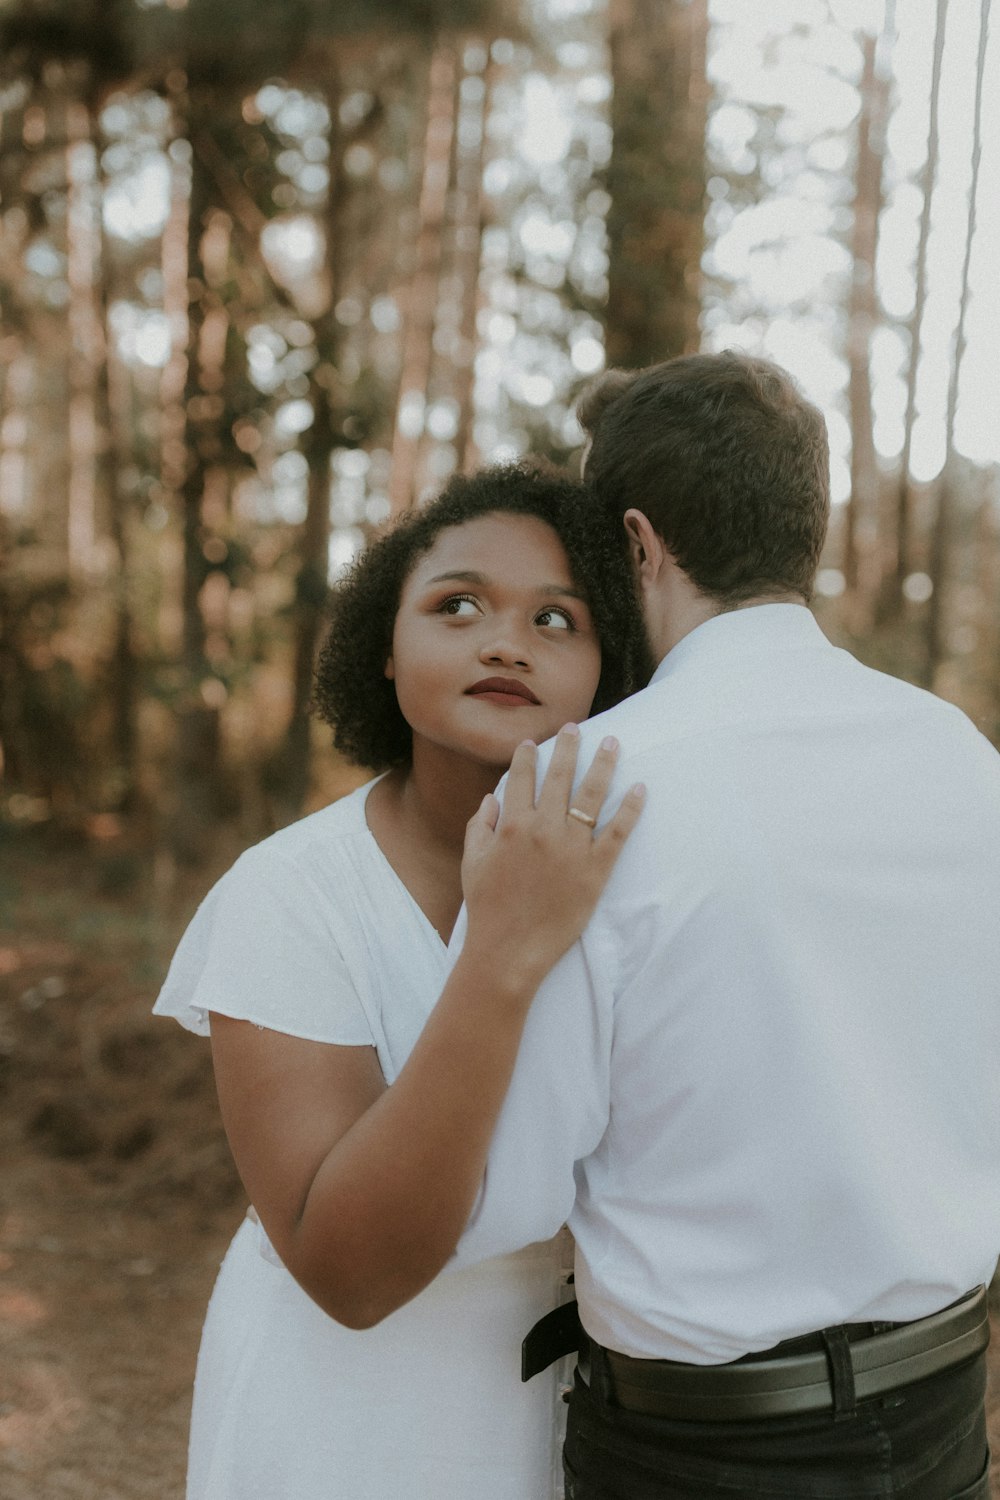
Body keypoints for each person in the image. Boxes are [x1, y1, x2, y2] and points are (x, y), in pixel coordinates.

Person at [430, 353, 1000, 1499]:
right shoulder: (960, 758)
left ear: (636, 543)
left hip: (708, 1452)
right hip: (943, 1411)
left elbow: (505, 1192)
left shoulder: (575, 791)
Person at [153, 462, 649, 1500]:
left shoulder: (641, 878)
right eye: (456, 604)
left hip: (569, 1415)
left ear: (611, 668)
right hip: (339, 1416)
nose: (506, 641)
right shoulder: (289, 894)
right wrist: (503, 954)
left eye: (559, 619)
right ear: (383, 648)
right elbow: (352, 1272)